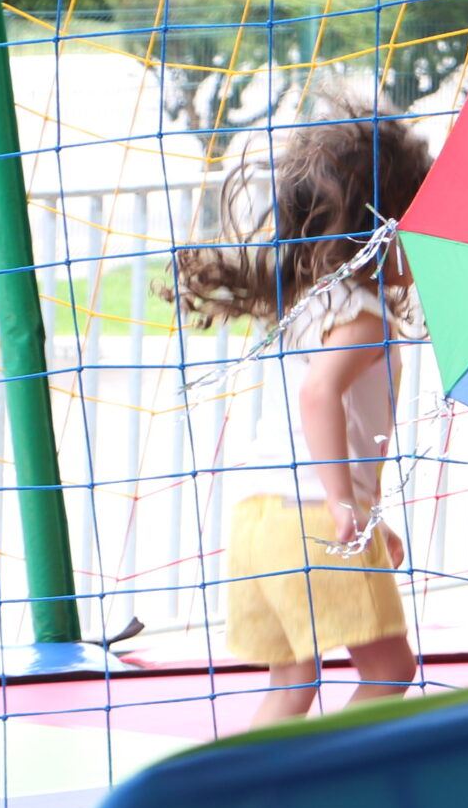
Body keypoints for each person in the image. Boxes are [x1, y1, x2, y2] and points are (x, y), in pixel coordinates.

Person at [169, 113, 426, 727]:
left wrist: (371, 509)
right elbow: (319, 395)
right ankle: (331, 784)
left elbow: (338, 419)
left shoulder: (312, 300)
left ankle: (252, 798)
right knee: (390, 672)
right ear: (384, 229)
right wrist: (346, 506)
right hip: (311, 518)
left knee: (292, 681)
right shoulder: (365, 317)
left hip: (258, 517)